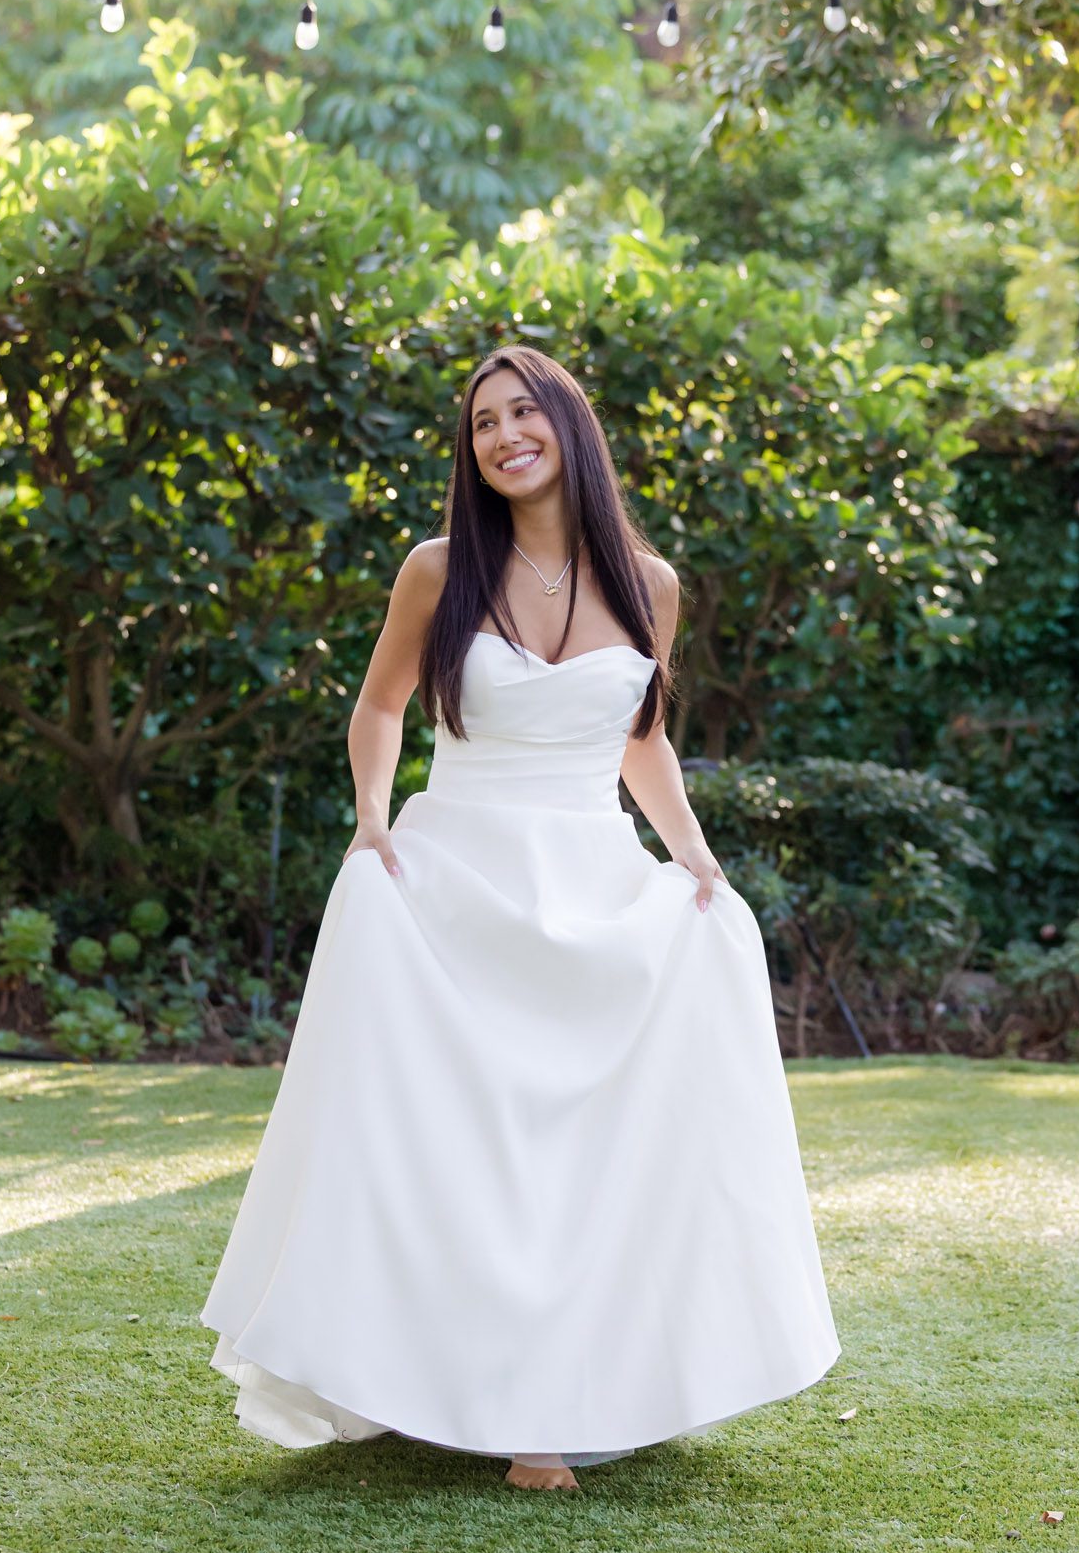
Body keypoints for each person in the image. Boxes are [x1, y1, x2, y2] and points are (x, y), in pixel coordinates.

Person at [200, 345, 841, 1491]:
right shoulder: (438, 570)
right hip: (458, 884)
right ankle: (449, 1385)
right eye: (484, 422)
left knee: (581, 1158)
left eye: (523, 411)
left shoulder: (653, 585)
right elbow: (381, 703)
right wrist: (370, 819)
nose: (503, 435)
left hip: (591, 881)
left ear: (569, 424)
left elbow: (640, 739)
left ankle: (561, 1400)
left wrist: (695, 856)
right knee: (459, 1149)